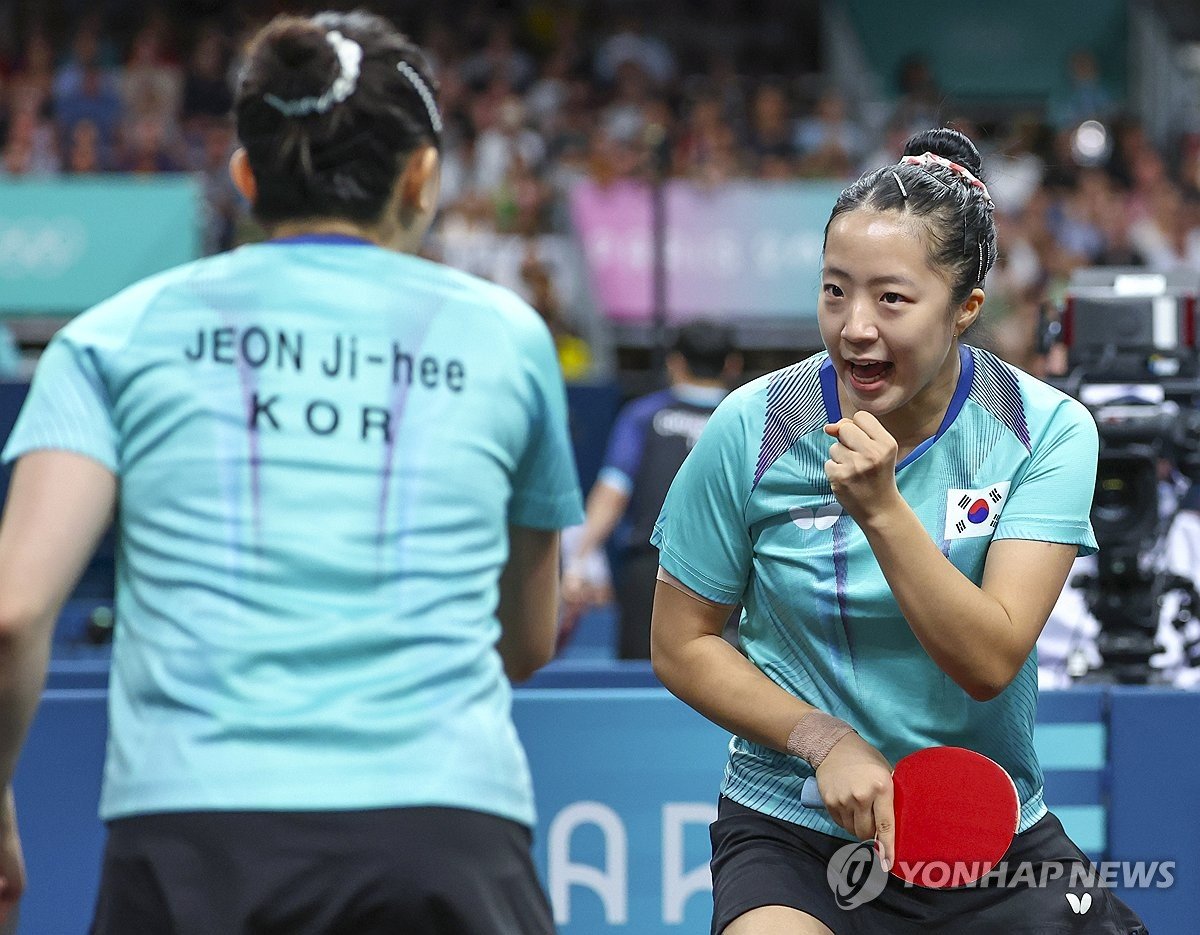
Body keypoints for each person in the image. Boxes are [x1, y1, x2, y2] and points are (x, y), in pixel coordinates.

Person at [0, 12, 583, 934]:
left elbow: (12, 612)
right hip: (446, 835)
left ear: (243, 177)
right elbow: (527, 640)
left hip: (191, 842)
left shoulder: (110, 336)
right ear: (422, 177)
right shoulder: (506, 336)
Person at [650, 128, 1148, 935]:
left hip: (986, 833)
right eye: (835, 290)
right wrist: (822, 738)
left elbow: (988, 659)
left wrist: (881, 510)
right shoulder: (755, 425)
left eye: (892, 298)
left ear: (965, 310)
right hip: (796, 825)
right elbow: (681, 641)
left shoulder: (1045, 429)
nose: (854, 327)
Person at [562, 321, 740, 658]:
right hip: (734, 574)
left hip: (655, 574)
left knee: (644, 685)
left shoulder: (644, 416)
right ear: (732, 364)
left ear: (675, 363)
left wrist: (578, 560)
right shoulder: (749, 416)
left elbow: (613, 491)